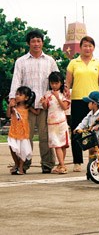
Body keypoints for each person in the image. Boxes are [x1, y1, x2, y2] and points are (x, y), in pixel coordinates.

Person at [9, 30, 58, 174]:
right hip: (26, 107)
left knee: (45, 137)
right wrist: (13, 99)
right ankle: (22, 165)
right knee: (25, 137)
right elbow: (16, 80)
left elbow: (57, 79)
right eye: (33, 41)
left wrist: (63, 90)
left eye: (38, 41)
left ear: (42, 42)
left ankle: (48, 165)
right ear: (28, 43)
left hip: (45, 105)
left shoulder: (50, 60)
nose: (36, 44)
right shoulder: (21, 61)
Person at [65, 36, 99, 172]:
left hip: (95, 102)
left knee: (96, 130)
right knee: (77, 130)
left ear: (94, 48)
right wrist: (66, 96)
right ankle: (77, 161)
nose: (87, 48)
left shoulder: (98, 63)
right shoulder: (73, 63)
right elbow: (68, 82)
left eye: (90, 46)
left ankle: (95, 159)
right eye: (85, 45)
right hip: (78, 100)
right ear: (80, 47)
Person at [40, 72, 70, 174]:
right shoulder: (48, 94)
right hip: (51, 123)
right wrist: (44, 103)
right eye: (52, 83)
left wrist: (57, 97)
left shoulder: (64, 94)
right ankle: (61, 165)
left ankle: (61, 164)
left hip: (61, 122)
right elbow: (46, 107)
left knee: (62, 145)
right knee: (57, 145)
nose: (54, 85)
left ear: (61, 83)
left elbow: (65, 107)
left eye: (56, 83)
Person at [73, 91, 99, 161]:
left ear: (95, 104)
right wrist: (78, 128)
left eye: (89, 102)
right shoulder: (90, 114)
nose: (87, 104)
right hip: (94, 136)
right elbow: (84, 122)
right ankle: (91, 166)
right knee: (91, 149)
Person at [7, 86, 36, 175]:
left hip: (23, 132)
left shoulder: (27, 107)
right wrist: (9, 106)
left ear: (26, 98)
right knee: (12, 147)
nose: (17, 96)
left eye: (20, 95)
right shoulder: (14, 107)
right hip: (14, 131)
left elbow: (36, 113)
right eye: (16, 94)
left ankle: (20, 167)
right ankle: (16, 163)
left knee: (23, 150)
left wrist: (41, 105)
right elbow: (8, 115)